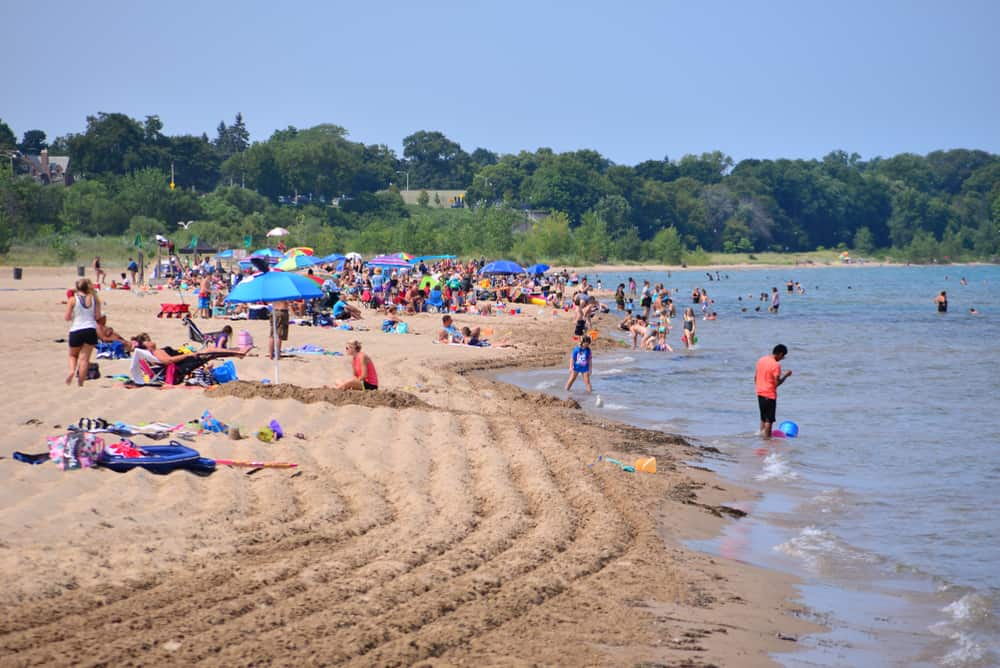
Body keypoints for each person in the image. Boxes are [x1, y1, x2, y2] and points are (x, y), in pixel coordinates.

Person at [65, 278, 102, 386]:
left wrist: (73, 316)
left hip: (76, 329)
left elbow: (67, 317)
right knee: (84, 359)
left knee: (73, 355)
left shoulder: (72, 299)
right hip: (90, 329)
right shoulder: (95, 299)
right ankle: (80, 383)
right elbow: (98, 316)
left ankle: (72, 371)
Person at [755, 344, 792, 438]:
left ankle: (761, 436)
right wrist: (786, 376)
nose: (782, 358)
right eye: (783, 356)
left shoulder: (761, 360)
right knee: (769, 420)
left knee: (763, 418)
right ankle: (766, 440)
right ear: (780, 354)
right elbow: (777, 383)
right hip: (769, 395)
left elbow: (755, 377)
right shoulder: (776, 365)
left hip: (760, 393)